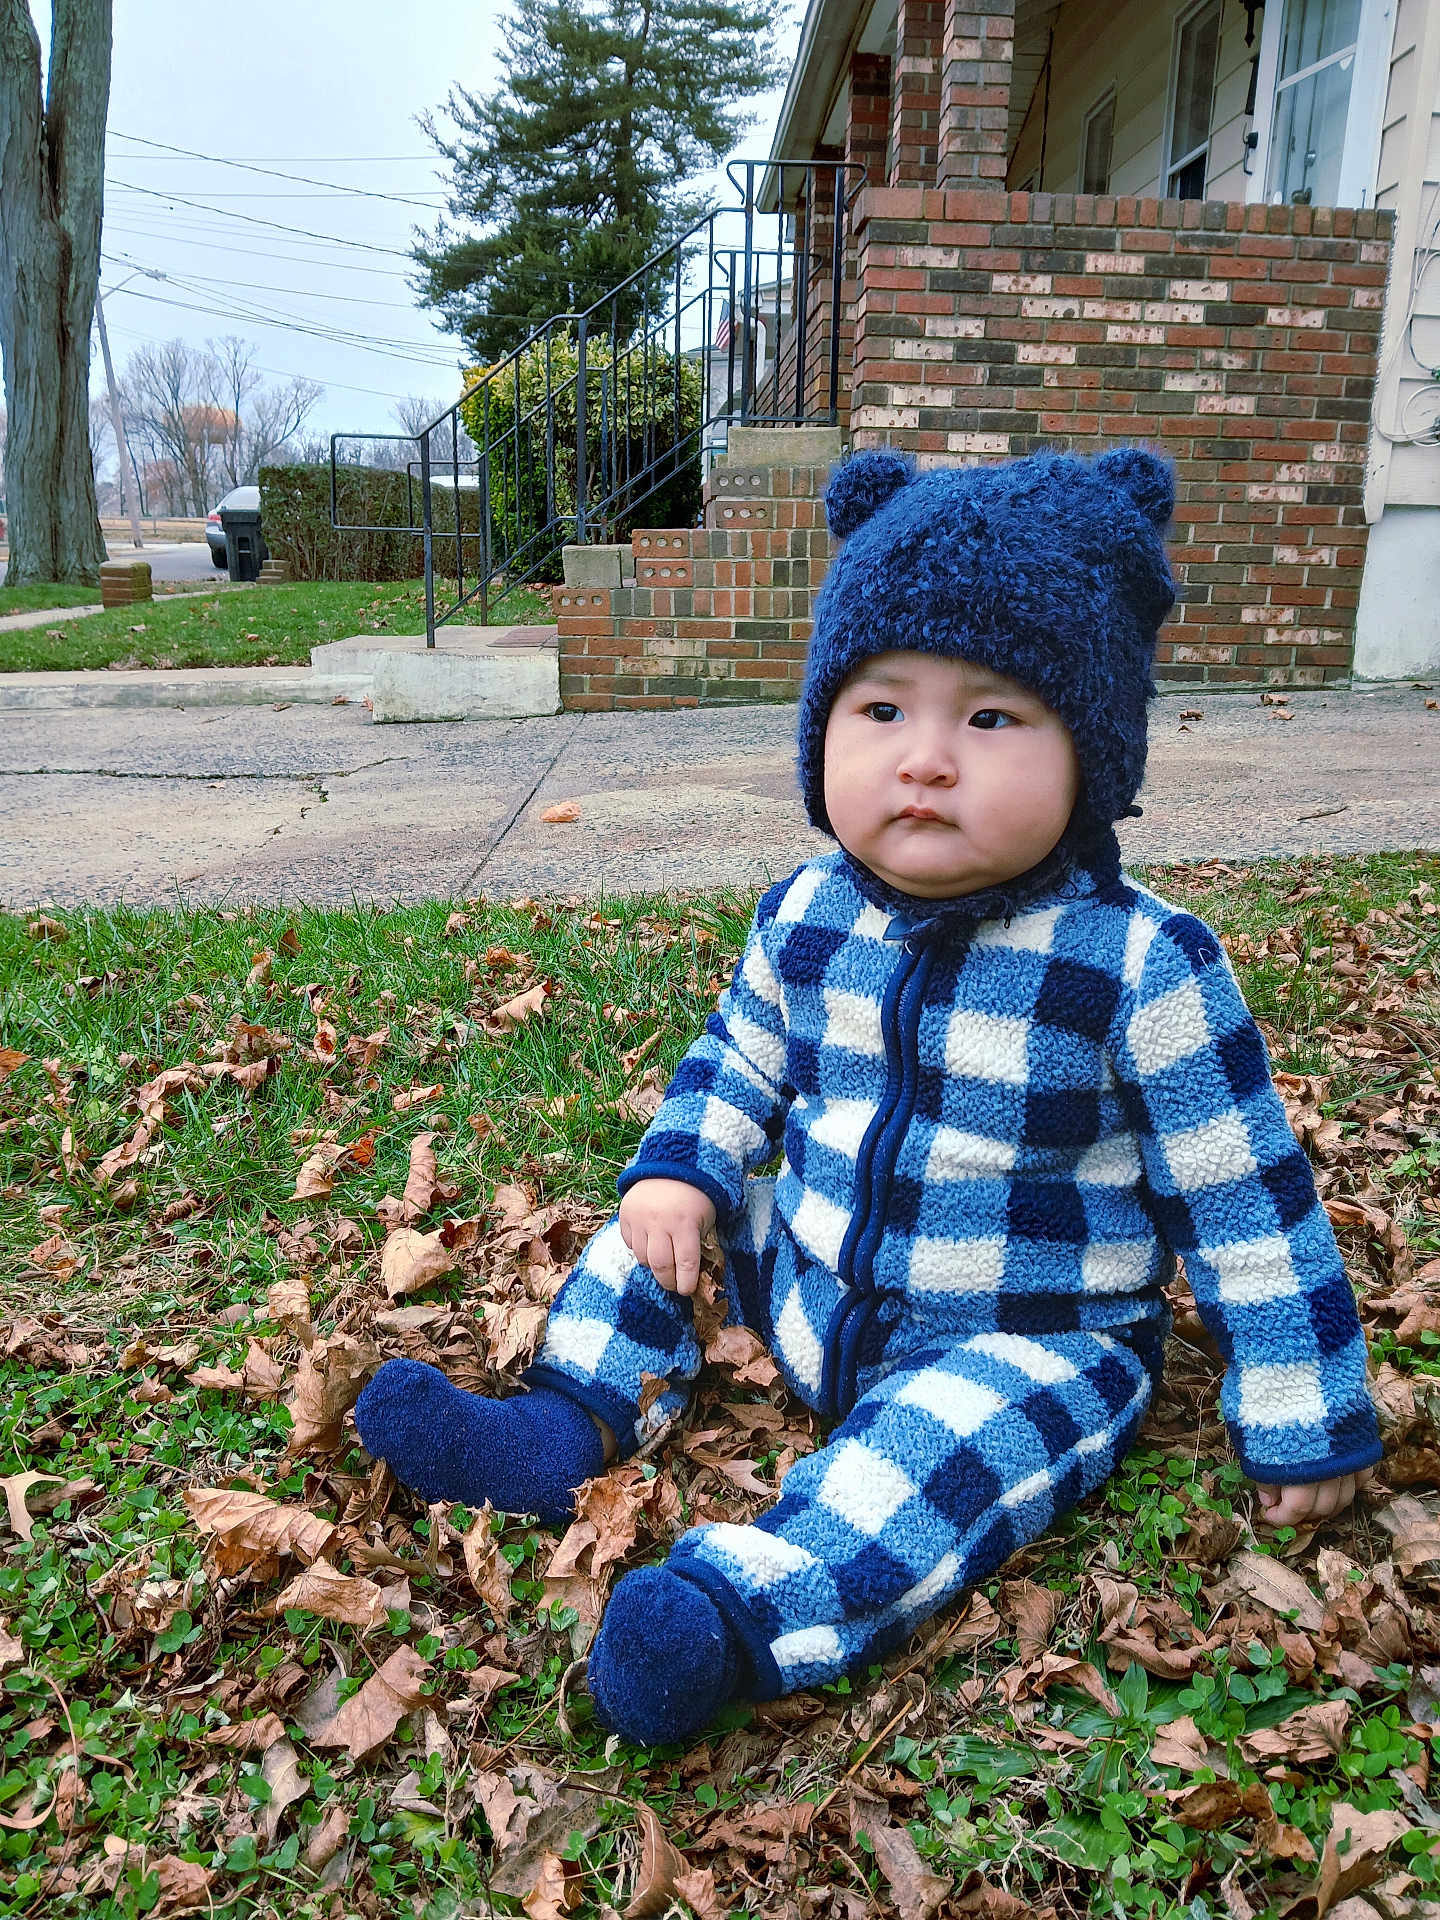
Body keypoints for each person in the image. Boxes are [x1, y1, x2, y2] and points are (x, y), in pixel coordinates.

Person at [354, 445, 1381, 1748]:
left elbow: (1249, 1204)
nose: (927, 761)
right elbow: (739, 1057)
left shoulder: (1138, 967)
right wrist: (679, 1167)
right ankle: (561, 1427)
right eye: (882, 710)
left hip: (1027, 1333)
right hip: (815, 1276)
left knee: (938, 1466)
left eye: (992, 717)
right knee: (671, 1223)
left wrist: (1305, 1413)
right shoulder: (809, 914)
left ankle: (737, 1613)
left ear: (1095, 747)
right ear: (823, 731)